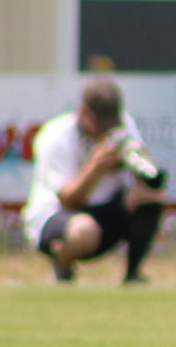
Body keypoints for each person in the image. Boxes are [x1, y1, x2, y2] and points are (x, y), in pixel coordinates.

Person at [22, 78, 166, 284]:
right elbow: (68, 201)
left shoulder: (124, 126)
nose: (104, 131)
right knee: (85, 231)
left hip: (105, 212)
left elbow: (149, 178)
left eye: (110, 124)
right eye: (99, 124)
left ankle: (133, 274)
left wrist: (133, 158)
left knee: (150, 195)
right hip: (58, 217)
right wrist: (95, 168)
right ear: (83, 113)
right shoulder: (56, 136)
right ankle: (62, 264)